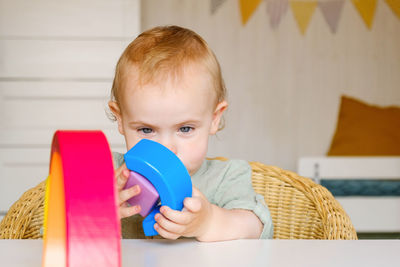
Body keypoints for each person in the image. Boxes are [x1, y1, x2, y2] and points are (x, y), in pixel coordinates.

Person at [108, 25, 273, 241]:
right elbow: (53, 225)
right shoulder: (108, 172)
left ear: (214, 118)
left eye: (185, 129)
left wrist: (209, 222)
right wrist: (98, 212)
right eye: (146, 130)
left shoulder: (227, 177)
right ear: (120, 119)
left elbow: (258, 228)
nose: (166, 149)